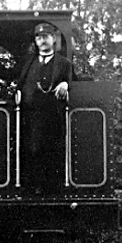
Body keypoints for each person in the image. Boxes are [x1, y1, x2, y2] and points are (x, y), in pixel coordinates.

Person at [10, 22, 74, 193]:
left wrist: (65, 84)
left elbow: (72, 81)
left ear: (53, 39)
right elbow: (12, 76)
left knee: (51, 150)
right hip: (29, 116)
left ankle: (50, 188)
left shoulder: (64, 63)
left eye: (46, 37)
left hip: (52, 116)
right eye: (39, 38)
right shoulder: (28, 62)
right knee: (30, 149)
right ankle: (31, 187)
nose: (42, 40)